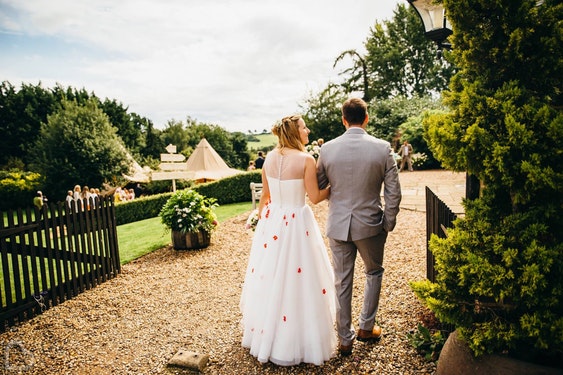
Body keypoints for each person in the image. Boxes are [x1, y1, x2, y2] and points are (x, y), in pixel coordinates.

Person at [240, 114, 336, 366]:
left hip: (273, 222)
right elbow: (314, 197)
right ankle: (299, 339)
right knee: (300, 278)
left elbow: (265, 198)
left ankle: (267, 335)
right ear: (295, 133)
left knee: (272, 276)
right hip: (296, 223)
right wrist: (334, 187)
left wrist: (264, 221)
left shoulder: (269, 158)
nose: (308, 131)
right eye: (304, 128)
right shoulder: (306, 159)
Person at [317, 97, 401, 357]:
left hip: (338, 224)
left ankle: (344, 339)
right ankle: (366, 326)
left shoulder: (327, 149)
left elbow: (320, 186)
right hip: (370, 224)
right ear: (366, 118)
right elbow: (394, 192)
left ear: (343, 120)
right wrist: (387, 222)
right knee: (374, 272)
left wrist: (341, 193)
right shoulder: (382, 147)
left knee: (342, 281)